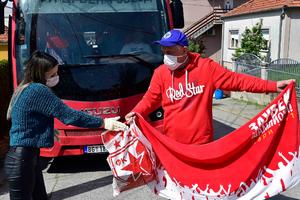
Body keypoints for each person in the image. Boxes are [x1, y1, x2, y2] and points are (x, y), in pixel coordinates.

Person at [125, 29, 293, 145]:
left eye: (171, 50)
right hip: (172, 143)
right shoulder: (160, 73)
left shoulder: (206, 68)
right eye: (164, 50)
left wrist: (272, 85)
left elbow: (238, 80)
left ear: (184, 50)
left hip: (202, 144)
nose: (166, 55)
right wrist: (136, 112)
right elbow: (150, 99)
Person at [4, 51, 128, 200]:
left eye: (56, 73)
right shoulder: (38, 90)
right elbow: (69, 116)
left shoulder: (25, 88)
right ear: (40, 74)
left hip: (25, 156)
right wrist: (104, 122)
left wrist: (48, 130)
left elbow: (26, 121)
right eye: (51, 75)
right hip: (22, 158)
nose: (56, 77)